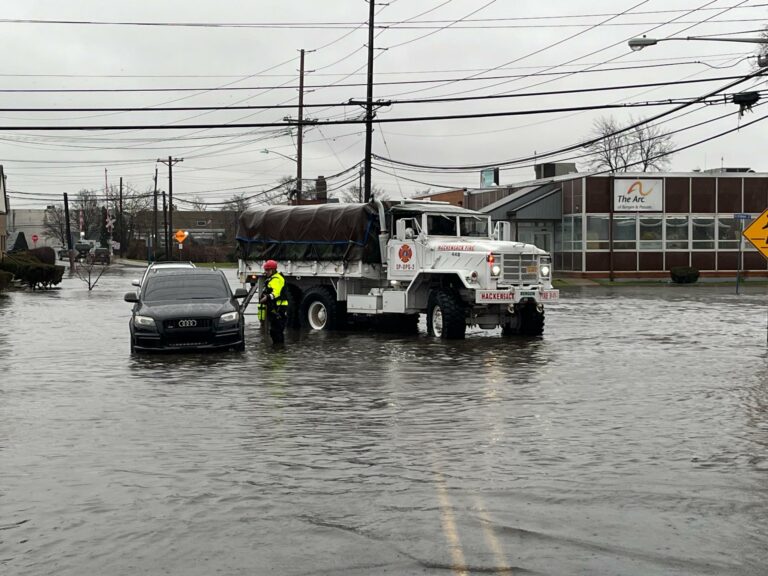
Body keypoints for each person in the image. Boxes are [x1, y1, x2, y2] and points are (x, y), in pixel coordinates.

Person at [259, 260, 288, 345]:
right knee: (274, 331)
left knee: (276, 331)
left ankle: (279, 351)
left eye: (268, 270)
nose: (266, 272)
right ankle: (278, 350)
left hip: (279, 309)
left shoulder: (276, 279)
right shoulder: (272, 278)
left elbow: (276, 293)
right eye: (266, 270)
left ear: (273, 270)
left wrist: (266, 298)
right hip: (275, 308)